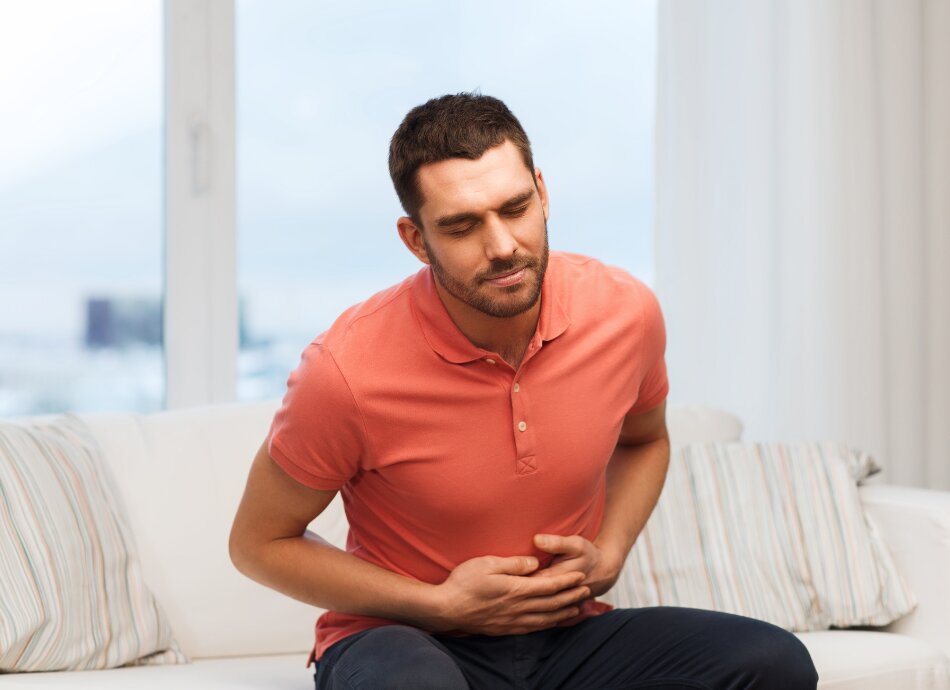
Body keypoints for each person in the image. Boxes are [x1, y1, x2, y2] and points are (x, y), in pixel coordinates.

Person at [229, 93, 819, 690]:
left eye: (515, 208)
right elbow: (259, 543)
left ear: (541, 191)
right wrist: (441, 605)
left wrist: (610, 553)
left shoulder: (625, 312)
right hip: (404, 639)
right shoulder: (344, 371)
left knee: (775, 664)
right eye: (462, 226)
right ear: (415, 238)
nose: (503, 246)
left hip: (569, 635)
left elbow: (645, 442)